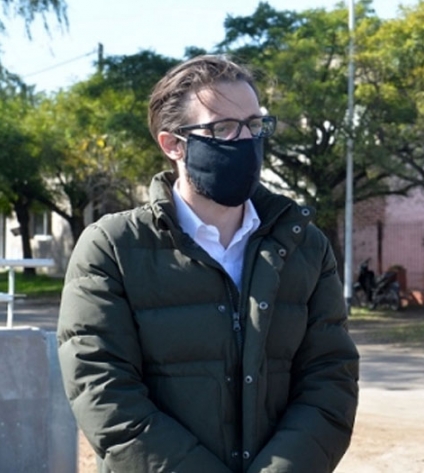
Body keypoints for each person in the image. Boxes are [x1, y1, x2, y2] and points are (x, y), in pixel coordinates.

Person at [57, 54, 359, 472]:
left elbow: (330, 379)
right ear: (172, 144)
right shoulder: (112, 247)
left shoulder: (304, 244)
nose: (245, 141)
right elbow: (103, 390)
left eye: (254, 125)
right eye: (222, 128)